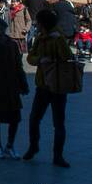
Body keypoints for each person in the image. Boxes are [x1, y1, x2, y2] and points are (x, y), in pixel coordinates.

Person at [22, 9, 75, 167]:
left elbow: (67, 56)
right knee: (34, 118)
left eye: (39, 23)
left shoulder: (58, 37)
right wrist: (41, 59)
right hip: (43, 84)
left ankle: (58, 155)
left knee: (58, 122)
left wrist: (58, 43)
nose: (37, 26)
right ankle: (34, 146)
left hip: (58, 85)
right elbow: (31, 58)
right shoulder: (40, 38)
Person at [0, 17, 28, 159]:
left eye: (1, 29)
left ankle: (10, 145)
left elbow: (18, 66)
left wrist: (23, 83)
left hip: (11, 86)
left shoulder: (12, 45)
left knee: (14, 118)